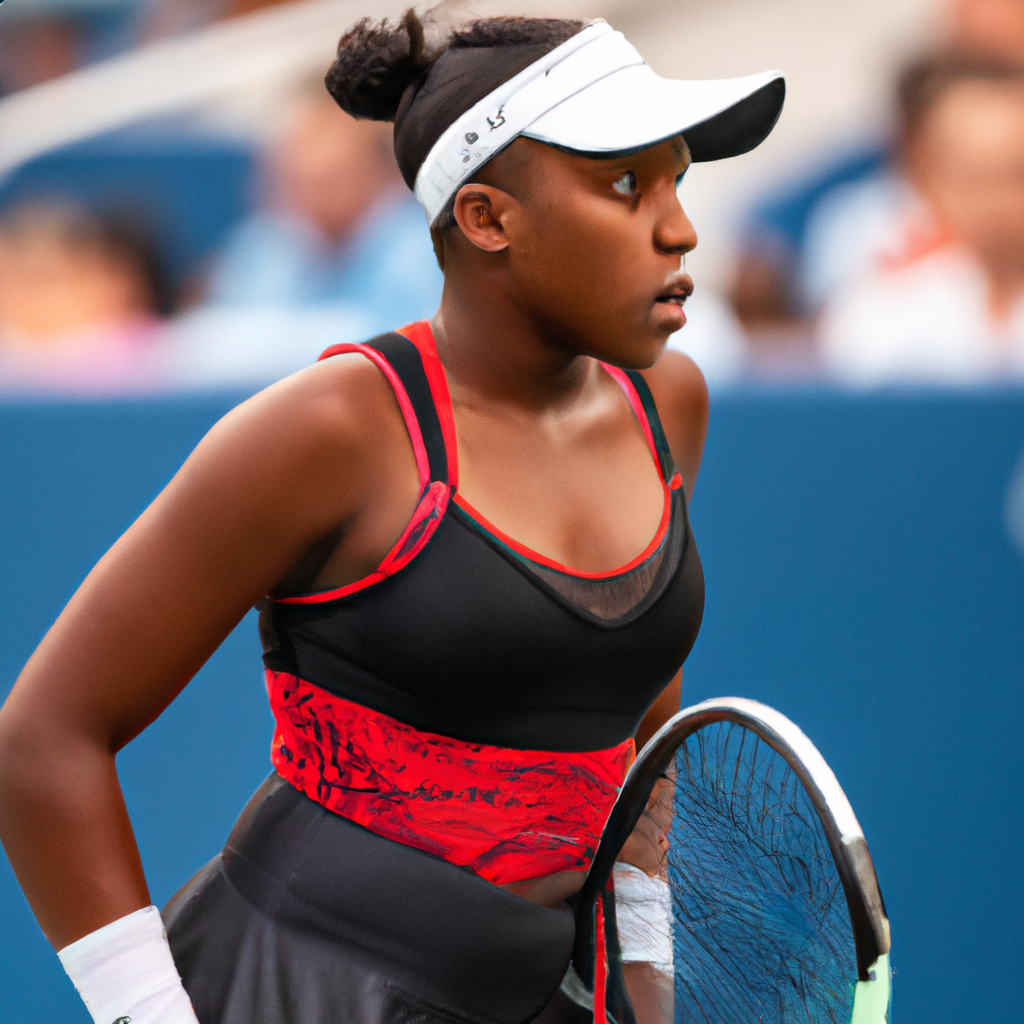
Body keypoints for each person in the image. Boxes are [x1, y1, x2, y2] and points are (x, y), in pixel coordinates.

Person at [0, 12, 783, 1024]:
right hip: (298, 988)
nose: (677, 227)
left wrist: (642, 969)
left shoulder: (668, 401)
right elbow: (42, 738)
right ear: (490, 218)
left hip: (547, 995)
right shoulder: (327, 430)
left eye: (679, 180)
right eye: (626, 183)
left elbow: (634, 727)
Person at [818, 55, 1024, 384]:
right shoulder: (879, 311)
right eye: (970, 177)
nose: (993, 203)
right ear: (925, 179)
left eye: (1013, 175)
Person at [0, 200, 173, 395]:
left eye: (45, 279)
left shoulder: (153, 352)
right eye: (15, 280)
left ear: (115, 285)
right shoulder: (10, 353)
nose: (26, 298)